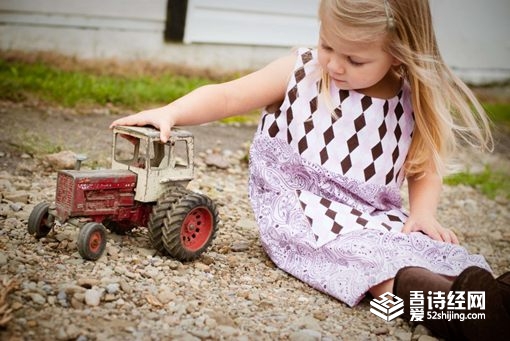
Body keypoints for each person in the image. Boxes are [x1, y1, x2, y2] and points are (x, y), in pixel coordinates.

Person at [111, 0, 510, 338]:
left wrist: (423, 214)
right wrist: (172, 111)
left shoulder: (407, 99)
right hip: (304, 214)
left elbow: (423, 164)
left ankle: (486, 296)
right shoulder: (300, 72)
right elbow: (229, 95)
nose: (335, 64)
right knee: (368, 274)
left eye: (355, 59)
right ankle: (452, 314)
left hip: (371, 215)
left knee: (424, 248)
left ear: (400, 53)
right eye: (327, 45)